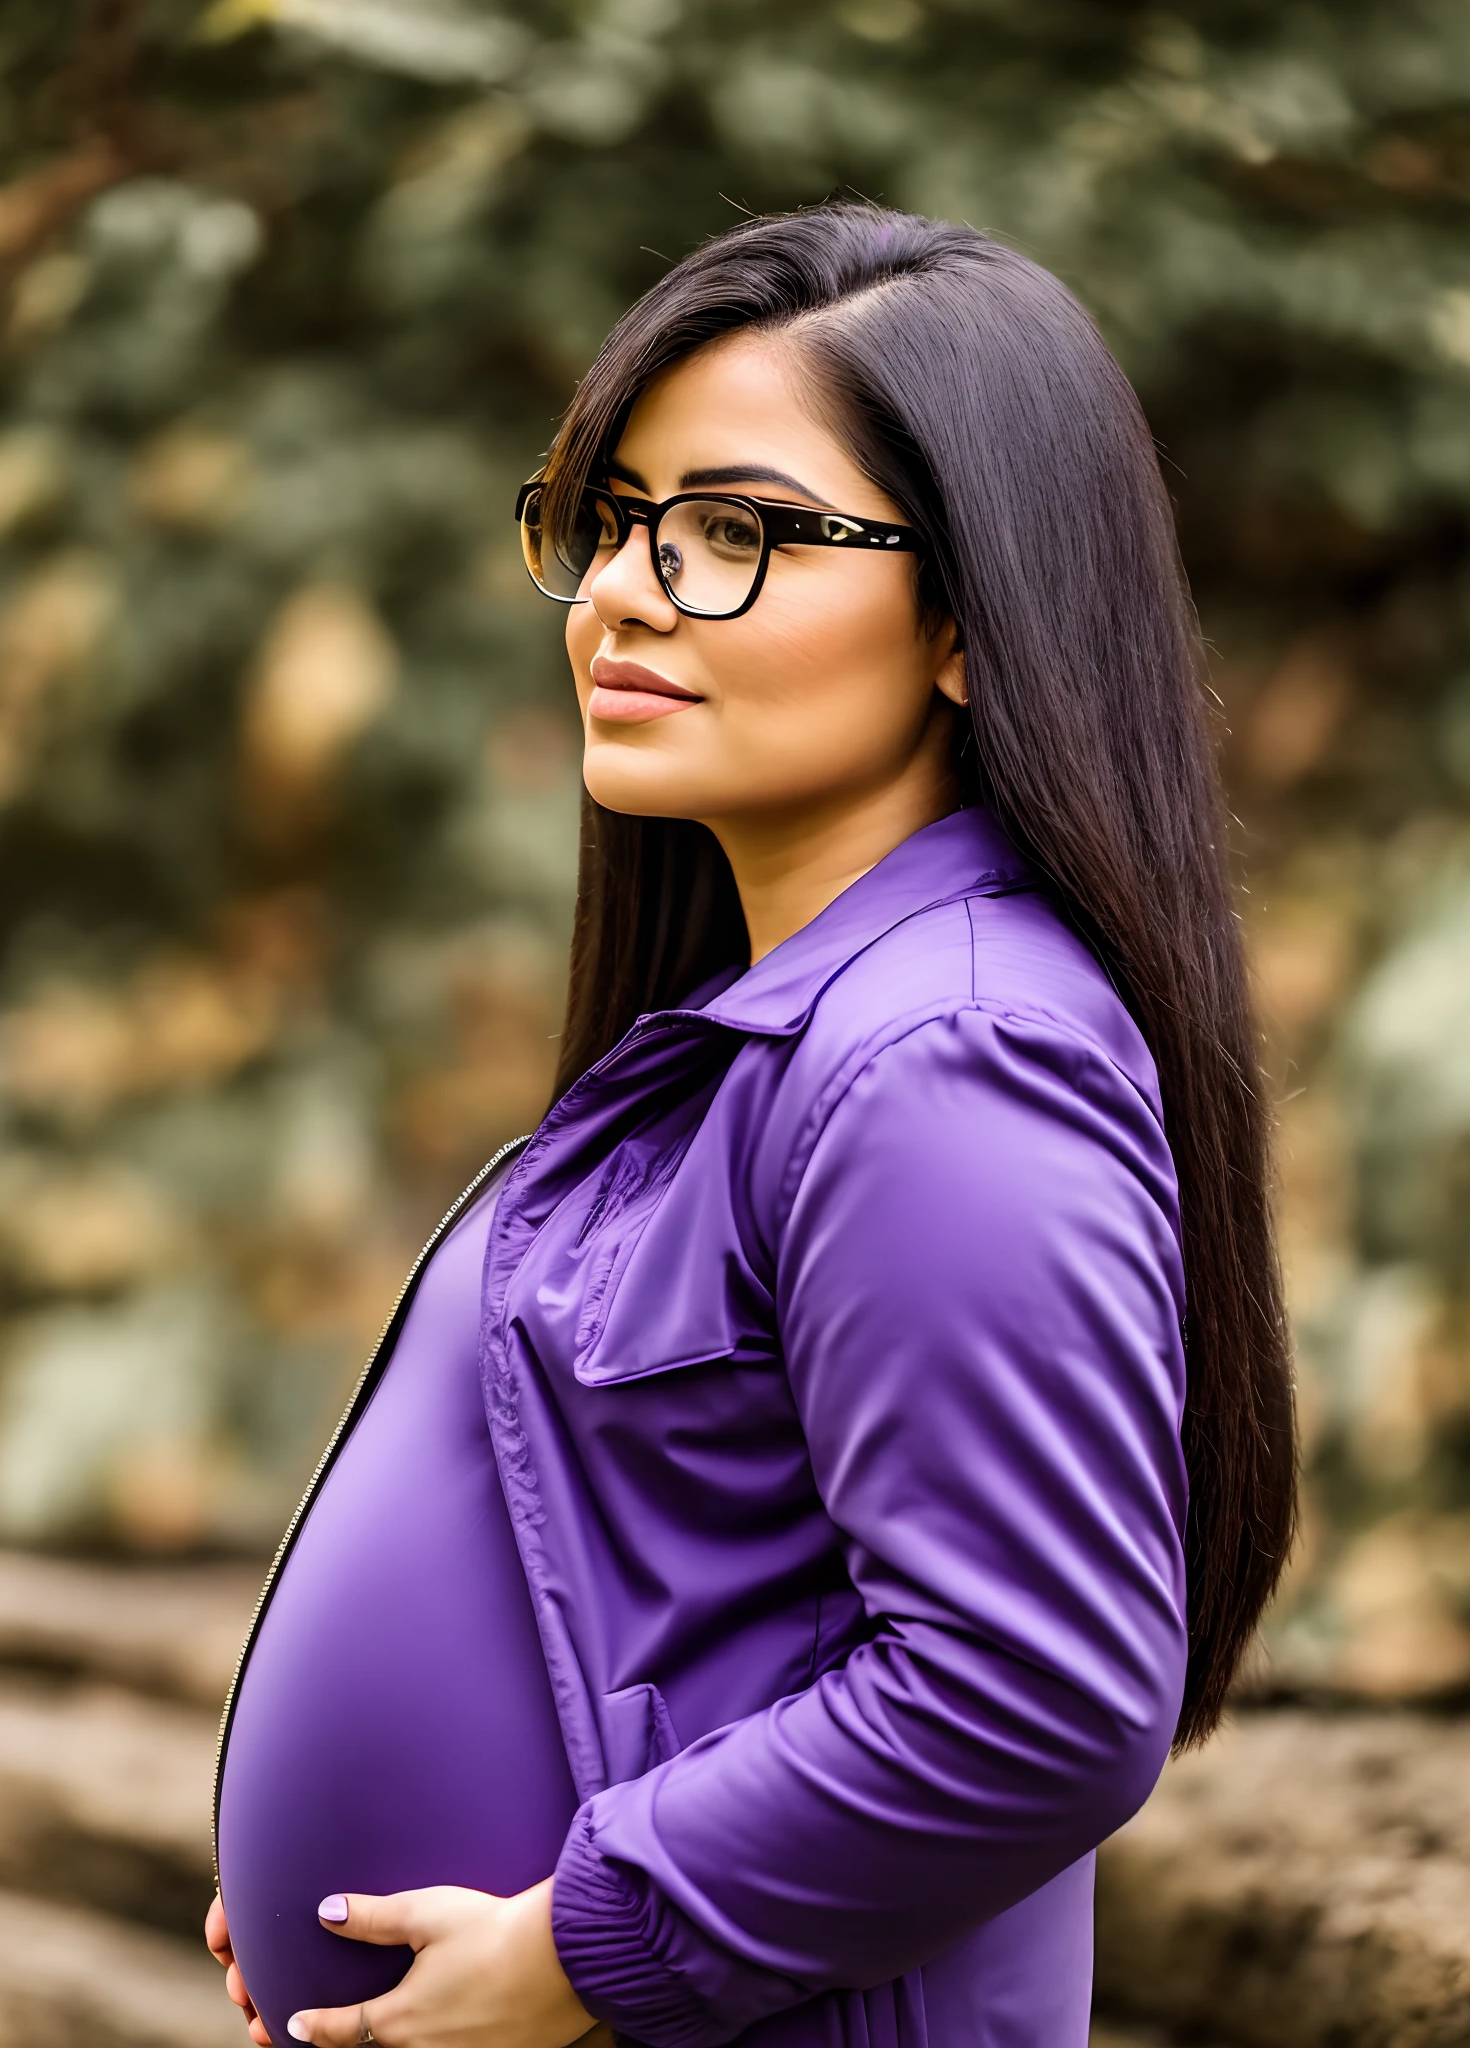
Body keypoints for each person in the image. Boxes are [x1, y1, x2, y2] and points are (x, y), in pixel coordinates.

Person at [206, 202, 1295, 2048]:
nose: (627, 590)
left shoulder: (946, 1056)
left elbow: (1030, 1691)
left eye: (735, 533)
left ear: (969, 620)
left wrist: (571, 1952)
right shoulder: (761, 1039)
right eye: (614, 520)